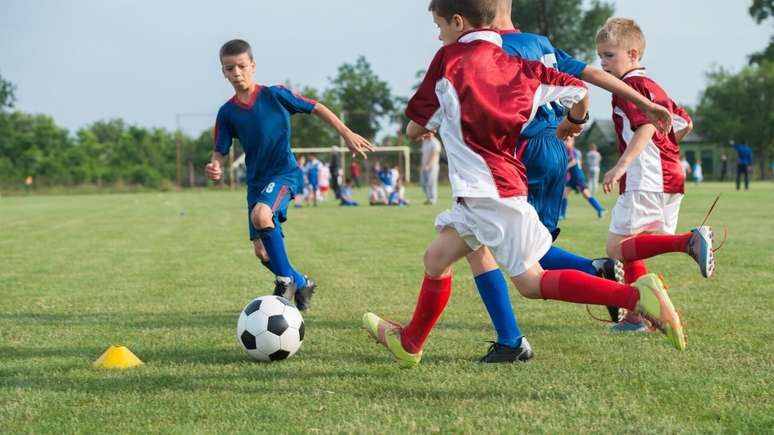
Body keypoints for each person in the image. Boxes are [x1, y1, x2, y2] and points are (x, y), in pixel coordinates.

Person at [362, 1, 686, 368]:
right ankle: (410, 343)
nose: (438, 35)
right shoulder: (522, 67)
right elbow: (580, 89)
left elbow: (414, 127)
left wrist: (434, 121)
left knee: (532, 283)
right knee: (436, 259)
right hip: (492, 188)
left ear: (457, 22)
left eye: (439, 26)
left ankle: (635, 298)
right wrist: (576, 122)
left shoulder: (448, 59)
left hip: (489, 191)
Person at [458, 0, 678, 361]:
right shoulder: (540, 43)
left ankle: (518, 337)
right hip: (553, 150)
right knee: (497, 244)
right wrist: (584, 119)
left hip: (518, 152)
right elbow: (588, 79)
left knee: (521, 258)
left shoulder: (487, 48)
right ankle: (592, 278)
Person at [205, 39, 372, 311]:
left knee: (261, 215)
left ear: (253, 66)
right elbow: (220, 150)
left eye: (241, 66)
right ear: (223, 72)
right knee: (261, 252)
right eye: (229, 68)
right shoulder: (227, 113)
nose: (236, 73)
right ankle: (301, 281)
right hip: (256, 184)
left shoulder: (275, 95)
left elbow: (316, 106)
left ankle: (285, 282)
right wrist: (215, 165)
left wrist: (346, 133)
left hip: (285, 174)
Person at [596, 17, 715, 332]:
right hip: (668, 175)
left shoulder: (630, 87)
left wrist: (622, 164)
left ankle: (688, 242)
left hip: (645, 176)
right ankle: (639, 316)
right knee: (634, 243)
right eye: (601, 57)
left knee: (616, 248)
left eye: (610, 55)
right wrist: (665, 151)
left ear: (633, 55)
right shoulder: (655, 86)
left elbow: (647, 125)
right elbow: (684, 123)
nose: (603, 63)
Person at [560, 137, 605, 219]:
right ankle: (562, 215)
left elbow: (574, 162)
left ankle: (600, 209)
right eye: (565, 140)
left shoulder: (572, 151)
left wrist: (565, 168)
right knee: (564, 194)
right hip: (573, 178)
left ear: (572, 142)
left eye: (568, 140)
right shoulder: (570, 151)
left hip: (577, 177)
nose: (565, 142)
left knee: (586, 194)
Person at [419, 131, 442, 205]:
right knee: (423, 183)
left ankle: (432, 199)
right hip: (424, 166)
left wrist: (428, 165)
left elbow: (435, 155)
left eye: (429, 132)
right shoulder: (425, 142)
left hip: (433, 166)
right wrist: (422, 165)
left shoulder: (435, 142)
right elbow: (423, 155)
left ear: (432, 133)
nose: (428, 133)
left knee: (431, 183)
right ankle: (428, 198)